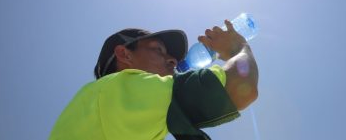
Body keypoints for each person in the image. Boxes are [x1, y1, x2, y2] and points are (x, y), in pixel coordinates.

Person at [49, 20, 259, 140]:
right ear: (124, 54)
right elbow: (240, 88)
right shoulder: (122, 89)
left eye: (173, 57)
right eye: (159, 50)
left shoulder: (102, 107)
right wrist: (238, 47)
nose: (173, 61)